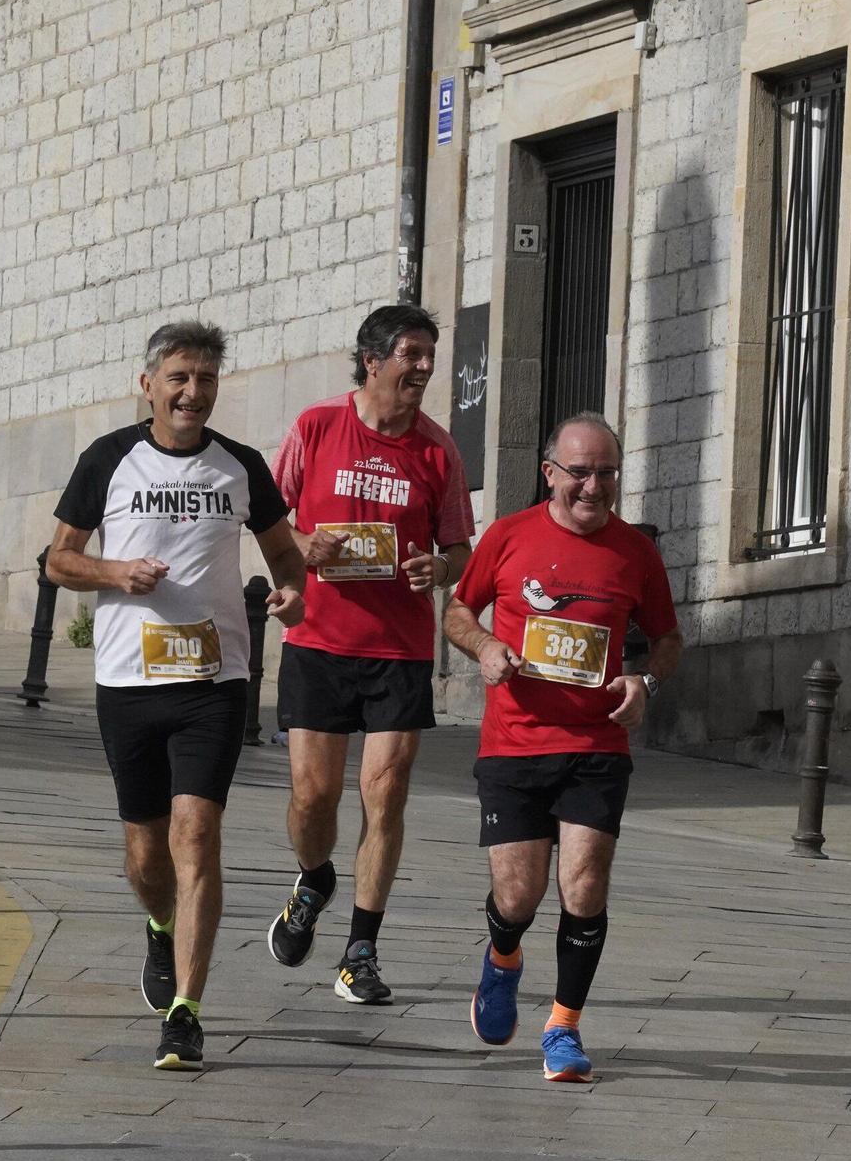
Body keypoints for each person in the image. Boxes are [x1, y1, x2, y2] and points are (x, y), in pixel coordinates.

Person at [46, 322, 306, 1071]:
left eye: (207, 379)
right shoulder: (109, 459)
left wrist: (291, 592)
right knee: (145, 853)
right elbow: (59, 559)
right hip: (128, 682)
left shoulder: (241, 467)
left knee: (196, 834)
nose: (194, 392)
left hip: (214, 682)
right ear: (149, 383)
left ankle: (186, 1012)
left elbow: (283, 551)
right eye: (181, 378)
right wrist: (115, 573)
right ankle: (159, 924)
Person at [442, 413, 682, 1084]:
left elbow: (667, 637)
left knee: (584, 883)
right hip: (514, 742)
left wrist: (646, 681)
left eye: (606, 472)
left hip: (596, 743)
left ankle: (564, 1025)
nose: (593, 485)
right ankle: (503, 953)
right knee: (519, 893)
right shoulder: (510, 536)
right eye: (580, 471)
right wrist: (487, 647)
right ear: (550, 473)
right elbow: (458, 610)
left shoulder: (635, 550)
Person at [265, 304, 475, 1006]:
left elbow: (459, 548)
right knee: (312, 798)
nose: (423, 367)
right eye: (411, 353)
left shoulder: (438, 450)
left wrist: (438, 572)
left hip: (399, 648)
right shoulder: (316, 426)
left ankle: (361, 949)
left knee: (385, 792)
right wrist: (304, 547)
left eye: (429, 355)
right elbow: (272, 524)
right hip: (319, 640)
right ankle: (315, 877)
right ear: (372, 360)